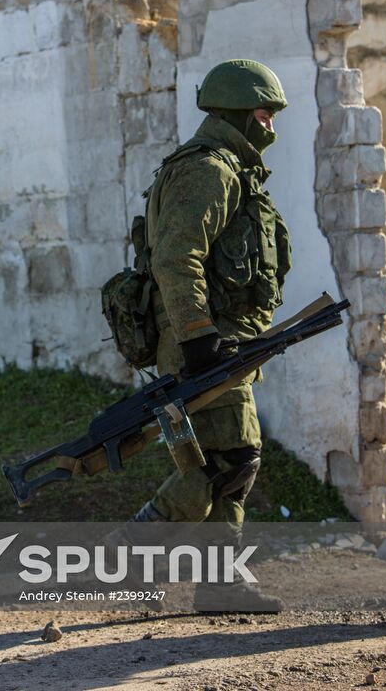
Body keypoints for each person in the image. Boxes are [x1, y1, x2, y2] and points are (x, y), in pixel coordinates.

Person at [131, 59, 292, 611]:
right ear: (236, 114)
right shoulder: (211, 170)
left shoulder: (230, 168)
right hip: (202, 342)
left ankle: (220, 584)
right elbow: (178, 257)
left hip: (222, 341)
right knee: (230, 461)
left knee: (227, 459)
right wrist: (199, 337)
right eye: (263, 114)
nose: (270, 127)